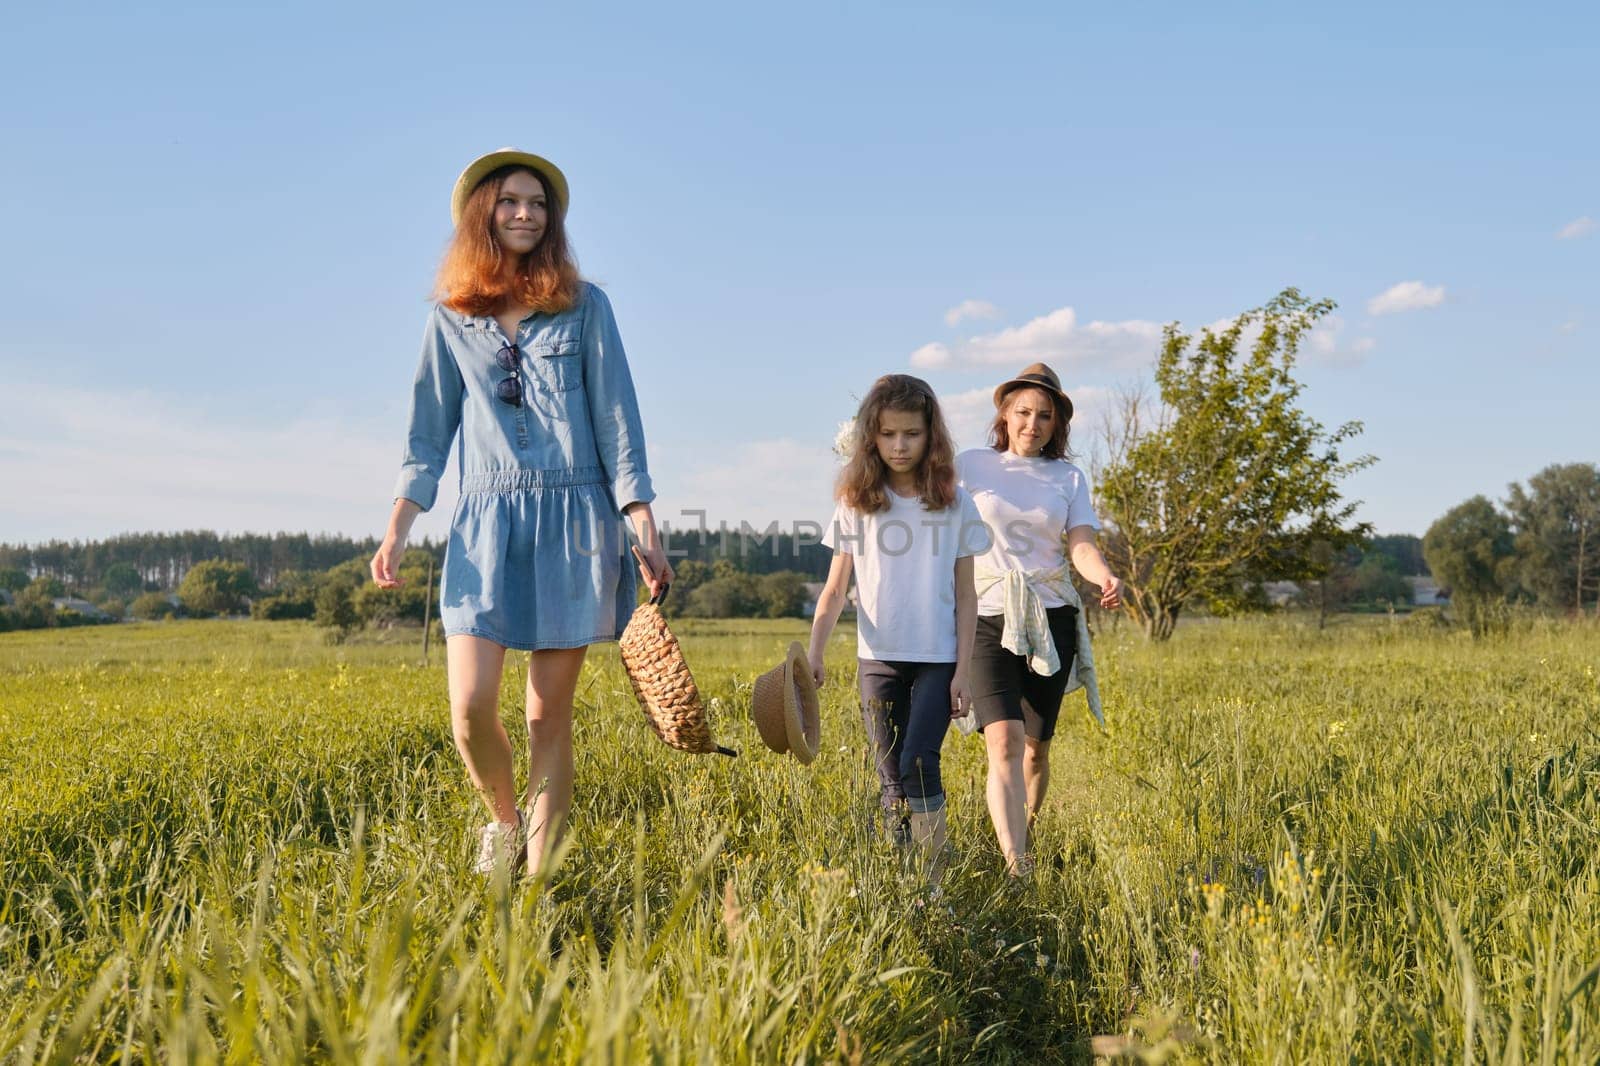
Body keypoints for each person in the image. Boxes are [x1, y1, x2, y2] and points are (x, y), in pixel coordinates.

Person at [370, 148, 671, 876]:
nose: (526, 214)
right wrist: (399, 527)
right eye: (510, 201)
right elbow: (426, 434)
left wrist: (644, 524)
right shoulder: (449, 319)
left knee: (546, 717)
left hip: (574, 523)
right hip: (484, 527)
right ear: (484, 213)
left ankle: (540, 877)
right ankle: (502, 825)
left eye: (538, 204)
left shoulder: (585, 305)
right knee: (470, 710)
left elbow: (618, 423)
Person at [808, 374, 985, 883]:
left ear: (931, 436)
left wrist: (964, 672)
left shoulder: (956, 504)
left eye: (911, 433)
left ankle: (934, 879)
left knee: (919, 762)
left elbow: (968, 597)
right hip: (877, 657)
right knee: (889, 775)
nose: (900, 446)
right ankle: (897, 879)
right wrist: (816, 652)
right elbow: (836, 589)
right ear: (872, 437)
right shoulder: (856, 502)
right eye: (888, 435)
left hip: (938, 657)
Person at [956, 362, 1121, 878]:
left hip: (1051, 620)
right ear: (1004, 415)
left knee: (1033, 751)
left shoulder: (1069, 476)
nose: (1033, 423)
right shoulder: (970, 465)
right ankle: (1017, 862)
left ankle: (1027, 825)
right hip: (986, 615)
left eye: (1044, 416)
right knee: (1001, 741)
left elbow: (1081, 544)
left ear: (1057, 425)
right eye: (1023, 412)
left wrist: (1103, 576)